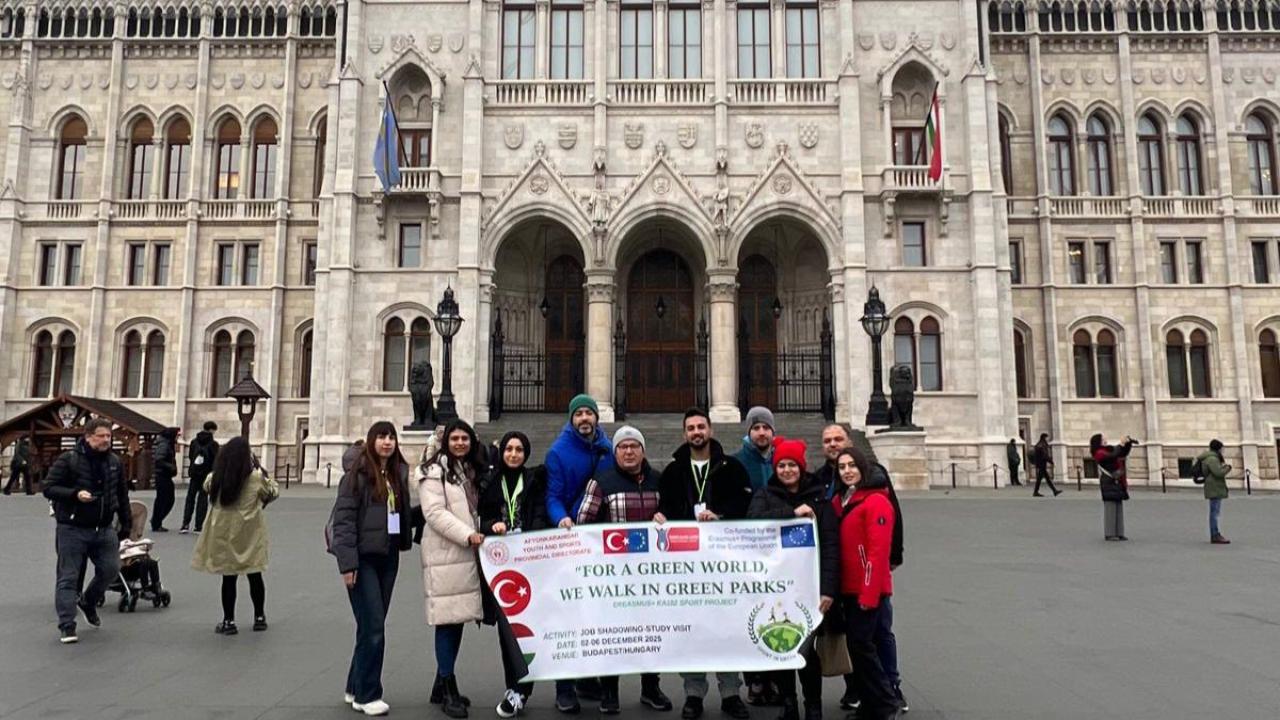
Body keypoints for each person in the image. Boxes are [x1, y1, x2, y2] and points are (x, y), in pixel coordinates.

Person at [656, 408, 751, 720]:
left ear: (710, 430)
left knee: (727, 628)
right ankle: (693, 694)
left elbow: (744, 505)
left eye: (701, 426)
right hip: (687, 566)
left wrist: (721, 516)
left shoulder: (732, 468)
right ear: (684, 434)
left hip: (724, 565)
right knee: (691, 630)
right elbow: (666, 507)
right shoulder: (673, 472)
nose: (696, 432)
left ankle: (731, 693)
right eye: (691, 428)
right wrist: (662, 516)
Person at [576, 426, 672, 715]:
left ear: (643, 450)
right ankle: (609, 691)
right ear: (615, 452)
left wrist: (666, 518)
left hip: (651, 574)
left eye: (634, 446)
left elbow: (674, 514)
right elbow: (584, 524)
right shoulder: (601, 483)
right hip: (614, 574)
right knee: (613, 633)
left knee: (651, 631)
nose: (629, 452)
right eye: (623, 447)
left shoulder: (659, 480)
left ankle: (650, 687)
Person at [814, 424, 907, 713]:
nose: (847, 471)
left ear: (863, 468)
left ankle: (887, 701)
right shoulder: (843, 499)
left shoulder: (876, 501)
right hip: (848, 586)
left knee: (865, 645)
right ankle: (870, 703)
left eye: (852, 466)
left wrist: (869, 594)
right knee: (857, 647)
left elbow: (878, 552)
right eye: (843, 467)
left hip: (868, 589)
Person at [746, 438, 838, 720]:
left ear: (801, 467)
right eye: (782, 465)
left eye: (792, 465)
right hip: (775, 588)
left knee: (807, 652)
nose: (787, 470)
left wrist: (828, 590)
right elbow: (752, 523)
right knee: (781, 647)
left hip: (809, 589)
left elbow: (830, 546)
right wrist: (791, 513)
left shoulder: (819, 498)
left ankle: (813, 706)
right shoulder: (765, 494)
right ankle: (789, 705)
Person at [331, 422, 414, 717]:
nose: (387, 442)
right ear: (371, 441)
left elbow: (398, 514)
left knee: (369, 625)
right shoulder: (355, 477)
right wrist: (348, 564)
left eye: (391, 437)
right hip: (363, 559)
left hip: (388, 556)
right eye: (381, 437)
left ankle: (355, 686)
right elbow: (343, 523)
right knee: (374, 626)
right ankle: (368, 694)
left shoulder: (395, 475)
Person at [543, 393, 612, 714]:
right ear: (571, 419)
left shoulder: (608, 448)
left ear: (596, 418)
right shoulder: (558, 452)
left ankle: (585, 679)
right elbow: (553, 496)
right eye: (579, 413)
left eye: (589, 413)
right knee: (568, 617)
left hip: (601, 543)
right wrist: (561, 519)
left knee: (596, 614)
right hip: (572, 541)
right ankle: (564, 687)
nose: (585, 418)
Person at [418, 419, 488, 719]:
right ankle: (448, 687)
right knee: (448, 620)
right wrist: (467, 535)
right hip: (447, 553)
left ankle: (440, 682)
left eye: (464, 438)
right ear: (446, 442)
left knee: (457, 617)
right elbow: (434, 513)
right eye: (455, 438)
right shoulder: (433, 471)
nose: (460, 443)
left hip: (467, 552)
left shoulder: (471, 471)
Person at [43, 418, 132, 644]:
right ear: (88, 437)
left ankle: (88, 601)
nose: (106, 440)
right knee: (68, 577)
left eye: (109, 436)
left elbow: (122, 494)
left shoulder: (114, 462)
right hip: (72, 527)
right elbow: (49, 487)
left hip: (104, 528)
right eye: (101, 436)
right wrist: (75, 494)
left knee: (111, 569)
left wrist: (126, 523)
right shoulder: (69, 459)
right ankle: (67, 625)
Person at [478, 431, 549, 718]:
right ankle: (515, 687)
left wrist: (531, 536)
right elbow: (480, 517)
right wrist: (491, 525)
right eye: (509, 449)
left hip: (528, 563)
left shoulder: (534, 480)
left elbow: (540, 513)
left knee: (527, 631)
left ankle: (521, 690)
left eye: (519, 450)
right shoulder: (489, 482)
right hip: (500, 568)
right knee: (507, 631)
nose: (514, 454)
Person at [192, 436, 278, 635]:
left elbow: (206, 487)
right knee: (255, 574)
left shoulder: (216, 477)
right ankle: (259, 617)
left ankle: (228, 620)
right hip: (249, 532)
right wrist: (260, 470)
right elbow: (272, 491)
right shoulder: (255, 478)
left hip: (224, 532)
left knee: (228, 578)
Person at [1091, 433, 1136, 541]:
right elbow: (1113, 455)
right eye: (1103, 438)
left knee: (1118, 507)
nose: (1105, 439)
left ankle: (1119, 532)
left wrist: (1127, 444)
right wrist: (1121, 444)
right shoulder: (1099, 453)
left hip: (1117, 480)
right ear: (1098, 441)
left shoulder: (1108, 449)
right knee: (1110, 507)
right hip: (1108, 481)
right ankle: (1110, 533)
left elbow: (1121, 453)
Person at [181, 421, 219, 533]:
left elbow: (190, 456)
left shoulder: (194, 442)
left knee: (190, 498)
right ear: (212, 430)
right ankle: (198, 526)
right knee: (202, 500)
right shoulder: (213, 444)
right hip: (206, 474)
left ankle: (185, 524)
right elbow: (216, 460)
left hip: (194, 473)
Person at [1197, 439, 1231, 545]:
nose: (1222, 451)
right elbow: (1218, 473)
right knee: (1214, 513)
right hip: (1214, 487)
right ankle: (1215, 534)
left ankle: (1215, 534)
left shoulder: (1210, 457)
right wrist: (1227, 468)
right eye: (1221, 448)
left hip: (1213, 486)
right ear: (1218, 448)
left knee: (1214, 512)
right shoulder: (1212, 459)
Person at [735, 406, 776, 493]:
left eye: (766, 427)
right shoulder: (736, 463)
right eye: (756, 428)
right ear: (749, 432)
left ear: (772, 432)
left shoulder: (782, 462)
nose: (761, 433)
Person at [151, 426, 180, 531]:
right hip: (162, 475)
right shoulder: (164, 444)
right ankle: (156, 521)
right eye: (177, 435)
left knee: (166, 499)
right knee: (164, 500)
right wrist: (171, 467)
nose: (178, 437)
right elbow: (159, 459)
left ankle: (157, 520)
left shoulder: (168, 444)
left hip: (165, 475)